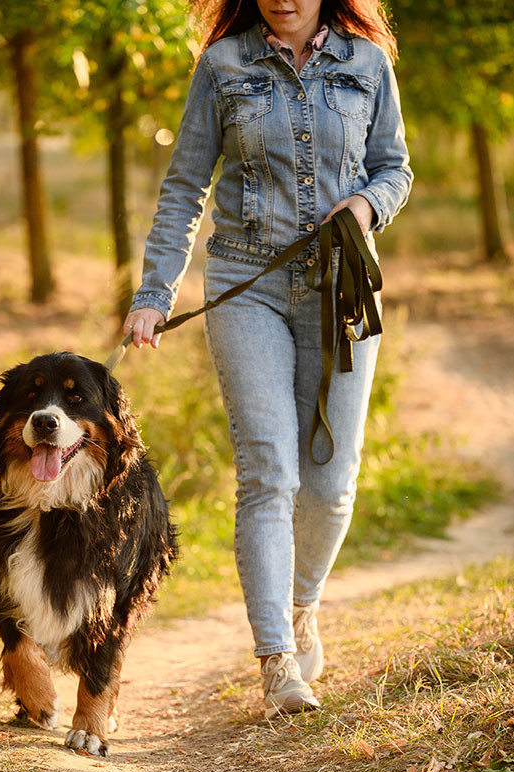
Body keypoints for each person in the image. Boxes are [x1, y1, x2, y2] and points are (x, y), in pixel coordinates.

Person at [123, 0, 413, 717]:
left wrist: (365, 207)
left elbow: (394, 169)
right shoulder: (223, 65)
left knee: (331, 482)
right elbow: (185, 186)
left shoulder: (367, 63)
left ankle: (301, 603)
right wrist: (154, 294)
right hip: (245, 283)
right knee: (268, 469)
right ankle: (277, 658)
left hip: (341, 287)